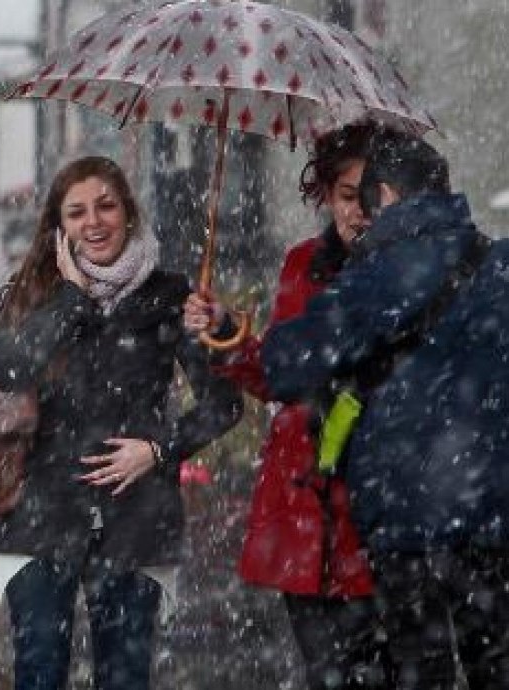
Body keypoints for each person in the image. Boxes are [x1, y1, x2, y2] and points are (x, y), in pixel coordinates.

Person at [261, 129, 509, 689]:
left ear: (390, 196)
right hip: (497, 522)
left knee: (424, 672)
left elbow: (285, 365)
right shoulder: (498, 263)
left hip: (407, 523)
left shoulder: (379, 275)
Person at [0, 156, 244, 690]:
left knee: (125, 677)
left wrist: (156, 449)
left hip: (136, 519)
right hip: (41, 514)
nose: (94, 222)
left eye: (105, 205)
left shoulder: (171, 297)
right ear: (59, 226)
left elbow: (224, 405)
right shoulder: (28, 294)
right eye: (77, 212)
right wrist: (73, 300)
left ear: (128, 211)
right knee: (39, 673)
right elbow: (7, 369)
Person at [183, 121, 391, 689]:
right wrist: (224, 330)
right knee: (324, 673)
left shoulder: (410, 271)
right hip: (308, 515)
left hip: (379, 512)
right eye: (348, 196)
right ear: (327, 196)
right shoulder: (303, 264)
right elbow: (277, 373)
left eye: (372, 196)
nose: (360, 212)